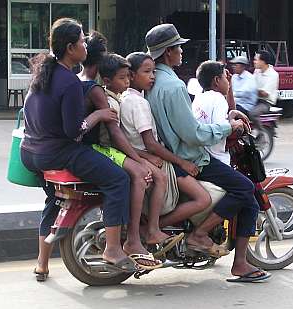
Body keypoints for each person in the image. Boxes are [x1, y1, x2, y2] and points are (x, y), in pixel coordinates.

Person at [145, 23, 271, 282]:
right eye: (179, 47)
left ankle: (221, 249)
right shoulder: (174, 86)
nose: (182, 51)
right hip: (191, 158)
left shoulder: (151, 81)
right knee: (245, 189)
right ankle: (204, 238)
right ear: (169, 52)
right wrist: (229, 126)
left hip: (168, 155)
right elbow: (193, 134)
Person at [21, 18, 135, 281]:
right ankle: (114, 249)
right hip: (58, 151)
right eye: (82, 41)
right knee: (118, 179)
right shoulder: (69, 82)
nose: (85, 45)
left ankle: (42, 264)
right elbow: (75, 130)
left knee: (54, 199)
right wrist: (100, 115)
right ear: (71, 48)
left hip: (31, 153)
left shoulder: (42, 73)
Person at [121, 52, 228, 257]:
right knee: (203, 199)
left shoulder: (132, 98)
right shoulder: (140, 102)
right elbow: (151, 143)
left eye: (153, 71)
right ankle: (153, 229)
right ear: (131, 75)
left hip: (146, 156)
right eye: (147, 72)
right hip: (161, 159)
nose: (152, 76)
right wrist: (182, 162)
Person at [79, 47, 179, 268]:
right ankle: (140, 235)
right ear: (106, 79)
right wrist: (140, 158)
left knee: (145, 174)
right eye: (123, 77)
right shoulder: (109, 99)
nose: (127, 81)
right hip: (106, 149)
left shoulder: (116, 97)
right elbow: (117, 137)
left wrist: (139, 157)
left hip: (113, 149)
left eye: (127, 77)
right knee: (146, 176)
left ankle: (144, 231)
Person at [251, 50, 279, 134]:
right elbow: (250, 84)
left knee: (252, 114)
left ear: (263, 61)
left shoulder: (273, 74)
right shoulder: (257, 71)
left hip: (265, 102)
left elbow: (264, 93)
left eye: (256, 60)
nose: (254, 62)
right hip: (253, 99)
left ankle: (261, 134)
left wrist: (251, 90)